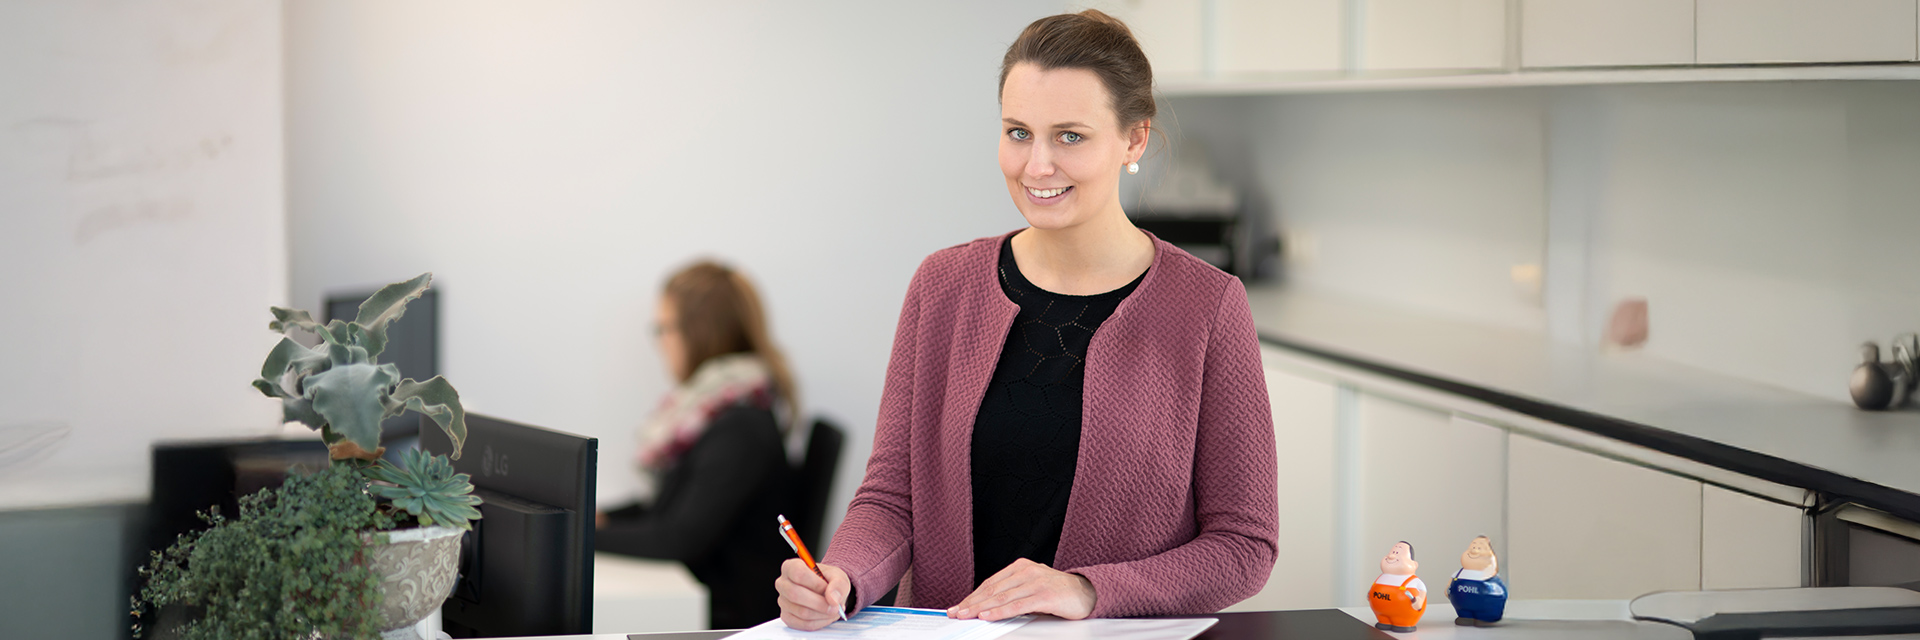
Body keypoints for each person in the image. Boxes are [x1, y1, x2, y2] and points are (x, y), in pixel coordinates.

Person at [773, 9, 1278, 629]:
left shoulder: (1208, 306)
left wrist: (1087, 590)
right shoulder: (943, 286)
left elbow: (1244, 544)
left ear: (1134, 139)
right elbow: (892, 497)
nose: (1036, 165)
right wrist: (843, 576)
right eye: (1018, 132)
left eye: (1070, 136)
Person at [597, 261, 800, 630]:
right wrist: (605, 519)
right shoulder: (712, 410)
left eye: (664, 328)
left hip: (729, 615)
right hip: (701, 594)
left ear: (698, 331)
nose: (660, 342)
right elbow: (672, 506)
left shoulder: (741, 425)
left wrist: (577, 536)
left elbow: (677, 538)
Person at [1448, 535, 1507, 626]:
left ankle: (1486, 618)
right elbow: (1449, 586)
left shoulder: (1490, 577)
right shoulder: (1459, 574)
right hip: (1462, 605)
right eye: (1473, 547)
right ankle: (1465, 616)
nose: (1474, 551)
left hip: (1486, 605)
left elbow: (1499, 593)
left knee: (1487, 612)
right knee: (1464, 613)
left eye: (1480, 548)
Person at [1368, 541, 1427, 632]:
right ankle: (1384, 621)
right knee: (1383, 622)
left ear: (1414, 564)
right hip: (1381, 613)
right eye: (1392, 552)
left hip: (1404, 615)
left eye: (1397, 553)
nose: (1391, 556)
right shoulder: (1381, 577)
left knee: (1401, 622)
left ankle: (1403, 624)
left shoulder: (1414, 581)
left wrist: (1419, 601)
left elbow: (1423, 591)